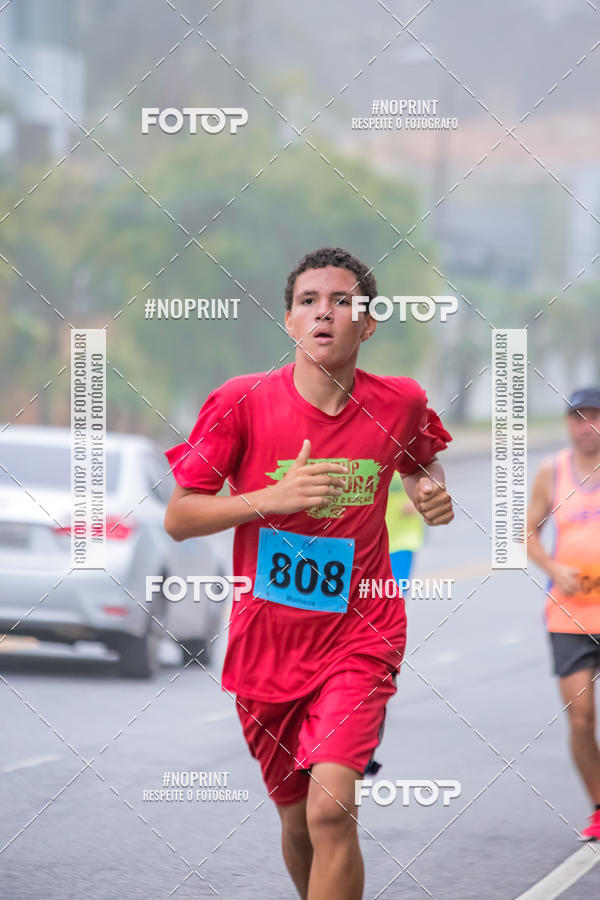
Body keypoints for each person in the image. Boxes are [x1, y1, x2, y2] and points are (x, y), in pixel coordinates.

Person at [164, 247, 454, 899]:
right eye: (308, 302)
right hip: (266, 646)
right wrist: (271, 499)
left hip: (360, 635)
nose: (325, 312)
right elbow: (179, 518)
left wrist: (431, 491)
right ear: (290, 321)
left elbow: (422, 461)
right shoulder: (241, 404)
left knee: (330, 809)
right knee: (297, 822)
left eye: (342, 301)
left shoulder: (400, 403)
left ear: (368, 323)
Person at [527, 386, 600, 841]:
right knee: (580, 718)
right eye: (577, 417)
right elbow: (529, 533)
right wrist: (554, 567)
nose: (585, 426)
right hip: (569, 616)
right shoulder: (551, 472)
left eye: (594, 417)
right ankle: (598, 804)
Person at [385, 470, 425, 583]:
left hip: (402, 539)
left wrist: (419, 502)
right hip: (374, 541)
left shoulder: (412, 460)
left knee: (395, 590)